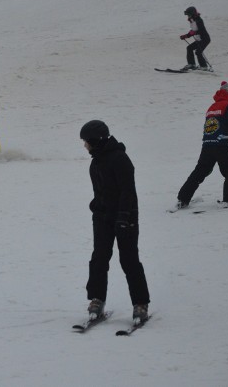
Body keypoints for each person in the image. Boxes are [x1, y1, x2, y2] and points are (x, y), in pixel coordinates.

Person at [80, 120, 150, 324]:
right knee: (99, 258)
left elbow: (128, 192)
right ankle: (97, 299)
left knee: (129, 260)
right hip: (102, 217)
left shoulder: (120, 159)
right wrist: (97, 209)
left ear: (97, 141)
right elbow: (100, 192)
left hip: (125, 218)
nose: (85, 145)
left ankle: (140, 303)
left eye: (87, 141)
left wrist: (124, 217)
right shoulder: (97, 160)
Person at [177, 81, 228, 208]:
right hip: (222, 145)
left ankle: (183, 198)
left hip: (207, 145)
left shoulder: (212, 107)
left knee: (199, 172)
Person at [180, 6, 211, 71]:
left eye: (189, 14)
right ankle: (191, 64)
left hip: (205, 39)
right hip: (199, 40)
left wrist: (193, 33)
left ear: (193, 14)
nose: (188, 16)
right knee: (189, 48)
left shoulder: (199, 20)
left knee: (198, 52)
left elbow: (201, 30)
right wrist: (186, 36)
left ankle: (204, 66)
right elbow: (193, 31)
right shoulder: (192, 21)